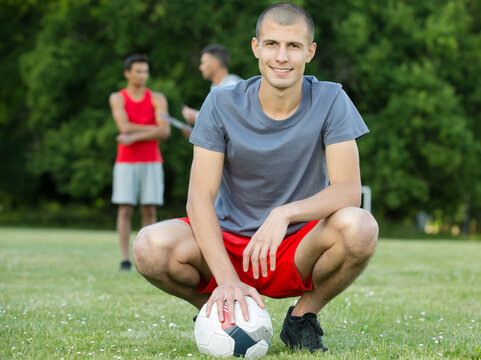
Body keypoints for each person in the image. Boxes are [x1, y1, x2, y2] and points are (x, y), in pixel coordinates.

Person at [132, 2, 378, 354]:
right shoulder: (220, 103)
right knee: (148, 247)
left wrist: (283, 213)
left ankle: (303, 317)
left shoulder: (331, 98)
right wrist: (227, 278)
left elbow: (348, 190)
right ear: (255, 47)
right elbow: (200, 196)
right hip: (228, 243)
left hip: (297, 246)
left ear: (310, 52)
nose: (282, 56)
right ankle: (221, 313)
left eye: (293, 46)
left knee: (361, 227)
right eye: (272, 44)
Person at [109, 54, 170, 271]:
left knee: (149, 210)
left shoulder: (157, 98)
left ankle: (147, 258)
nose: (143, 75)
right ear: (127, 73)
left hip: (152, 160)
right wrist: (153, 129)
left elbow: (165, 131)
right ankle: (125, 259)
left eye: (145, 71)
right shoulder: (118, 98)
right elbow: (123, 126)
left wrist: (133, 135)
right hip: (126, 161)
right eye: (138, 71)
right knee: (125, 209)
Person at [181, 45, 242, 129]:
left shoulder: (232, 87)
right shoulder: (216, 88)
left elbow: (226, 119)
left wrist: (195, 116)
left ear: (215, 63)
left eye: (203, 63)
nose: (200, 68)